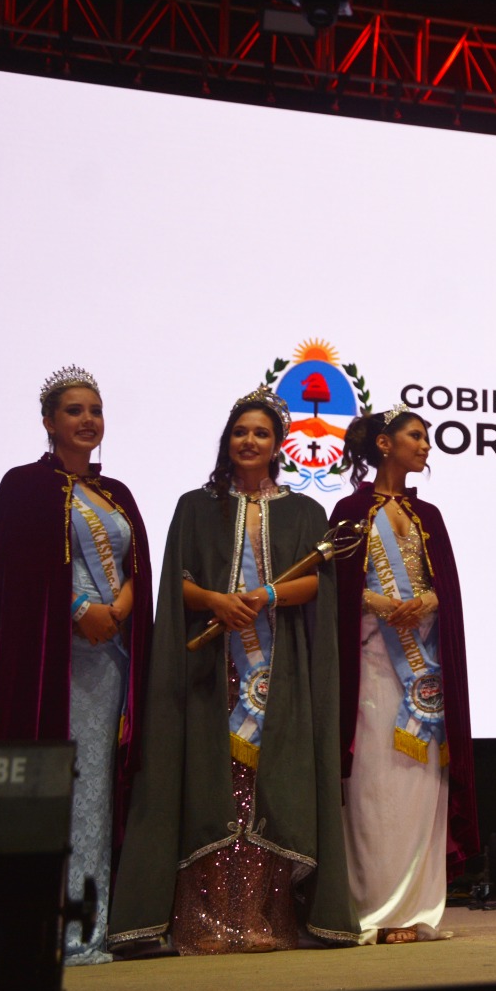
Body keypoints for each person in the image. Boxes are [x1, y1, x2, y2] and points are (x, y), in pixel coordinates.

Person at [109, 387, 356, 954]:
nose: (249, 441)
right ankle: (205, 920)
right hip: (210, 676)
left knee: (266, 790)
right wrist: (215, 602)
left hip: (280, 673)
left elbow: (318, 584)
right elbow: (178, 583)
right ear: (227, 441)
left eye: (261, 433)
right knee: (210, 787)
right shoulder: (196, 506)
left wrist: (268, 593)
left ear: (277, 446)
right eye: (240, 432)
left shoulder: (304, 511)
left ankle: (263, 917)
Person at [0, 366, 152, 965]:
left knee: (93, 795)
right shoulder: (23, 487)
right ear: (48, 422)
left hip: (108, 664)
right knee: (51, 794)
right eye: (74, 410)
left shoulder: (115, 493)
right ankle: (39, 929)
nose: (88, 419)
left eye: (95, 409)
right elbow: (13, 576)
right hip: (48, 663)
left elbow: (136, 569)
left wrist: (119, 605)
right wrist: (76, 609)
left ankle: (85, 930)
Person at [330, 404, 479, 945]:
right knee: (373, 788)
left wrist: (429, 600)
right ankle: (374, 909)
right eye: (417, 436)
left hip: (423, 670)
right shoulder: (349, 510)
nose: (426, 445)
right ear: (385, 444)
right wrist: (377, 600)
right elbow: (337, 589)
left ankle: (417, 909)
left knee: (420, 788)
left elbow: (450, 593)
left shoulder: (429, 517)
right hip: (371, 664)